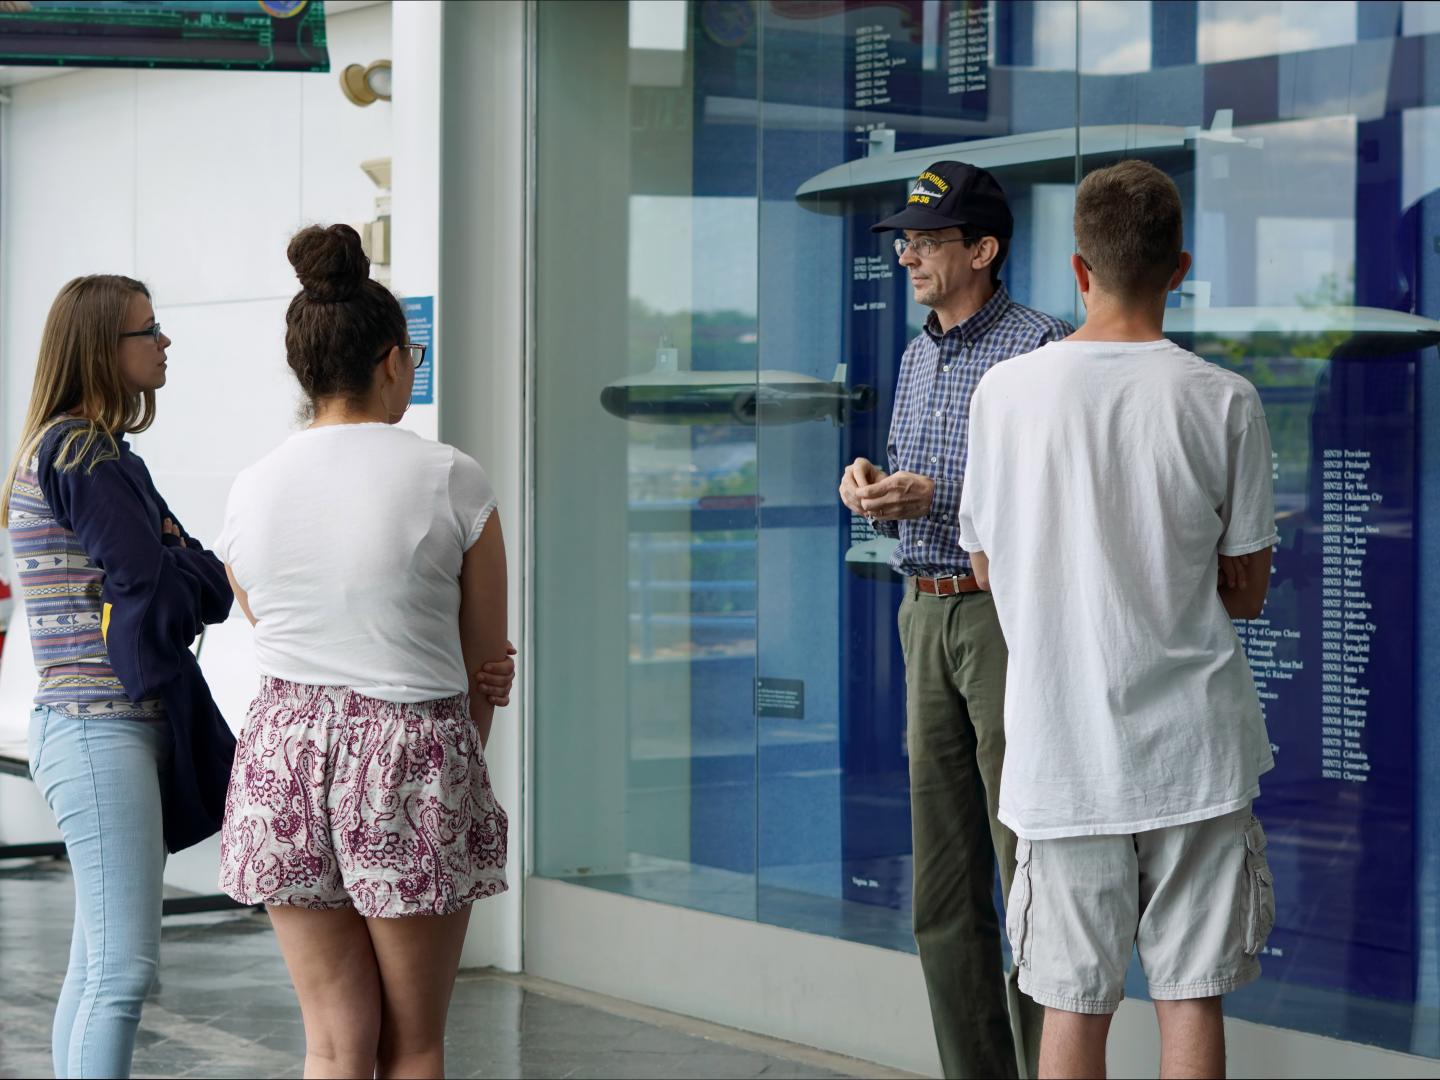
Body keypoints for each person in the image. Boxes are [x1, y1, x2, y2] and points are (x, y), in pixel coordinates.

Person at [957, 159, 1278, 1079]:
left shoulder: (1004, 395)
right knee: (1191, 997)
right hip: (1196, 755)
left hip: (1060, 757)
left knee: (1070, 1004)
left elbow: (985, 565)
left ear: (1077, 269)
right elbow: (1247, 588)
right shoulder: (1224, 400)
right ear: (1179, 269)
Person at [216, 223, 513, 1079]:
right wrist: (458, 752)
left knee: (334, 1044)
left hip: (281, 754)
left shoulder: (252, 485)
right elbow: (484, 661)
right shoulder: (450, 476)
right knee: (413, 1044)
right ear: (391, 360)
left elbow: (265, 620)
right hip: (409, 752)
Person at [839, 161, 1072, 1079]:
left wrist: (945, 492)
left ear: (983, 249)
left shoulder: (1040, 345)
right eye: (905, 239)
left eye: (928, 240)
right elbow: (917, 476)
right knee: (938, 884)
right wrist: (868, 487)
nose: (907, 254)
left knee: (1025, 870)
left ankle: (1051, 1063)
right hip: (921, 612)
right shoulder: (915, 352)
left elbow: (1056, 496)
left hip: (1002, 620)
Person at [2, 274, 234, 1078]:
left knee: (98, 967)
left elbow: (204, 574)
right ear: (105, 348)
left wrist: (181, 564)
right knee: (124, 971)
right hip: (99, 729)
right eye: (149, 330)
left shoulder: (88, 451)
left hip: (93, 729)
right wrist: (179, 564)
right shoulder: (84, 453)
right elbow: (156, 579)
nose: (165, 341)